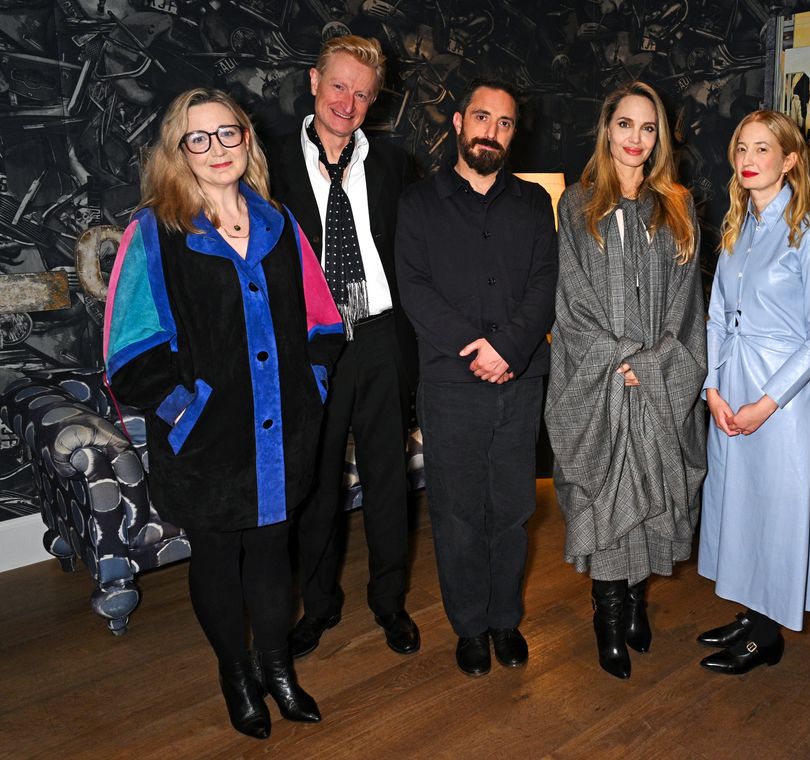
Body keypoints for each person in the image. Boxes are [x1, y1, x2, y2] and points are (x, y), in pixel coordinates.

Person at [104, 88, 344, 737]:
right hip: (207, 444)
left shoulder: (280, 225)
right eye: (198, 137)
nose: (215, 149)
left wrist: (310, 384)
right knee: (217, 559)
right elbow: (129, 352)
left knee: (273, 555)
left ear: (247, 139)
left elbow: (325, 323)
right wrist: (188, 413)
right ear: (178, 150)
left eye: (227, 133)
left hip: (283, 434)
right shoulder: (154, 231)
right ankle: (236, 676)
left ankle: (278, 671)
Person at [265, 35, 421, 660]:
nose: (348, 102)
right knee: (317, 484)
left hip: (381, 338)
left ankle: (390, 603)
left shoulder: (393, 165)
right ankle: (320, 606)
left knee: (389, 480)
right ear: (313, 81)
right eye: (339, 86)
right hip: (311, 347)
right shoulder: (265, 163)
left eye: (362, 93)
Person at [395, 79, 558, 677]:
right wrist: (476, 350)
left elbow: (545, 284)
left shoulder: (535, 203)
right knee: (459, 513)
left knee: (513, 508)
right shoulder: (418, 203)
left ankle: (503, 621)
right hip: (449, 381)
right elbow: (413, 287)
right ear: (460, 122)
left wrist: (508, 348)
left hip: (519, 380)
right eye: (482, 118)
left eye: (505, 123)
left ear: (515, 133)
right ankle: (469, 627)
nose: (491, 131)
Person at [545, 81, 707, 680]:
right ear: (606, 129)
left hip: (660, 379)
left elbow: (690, 301)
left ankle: (637, 601)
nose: (636, 139)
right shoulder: (577, 205)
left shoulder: (679, 206)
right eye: (625, 125)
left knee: (653, 493)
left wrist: (660, 360)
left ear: (658, 137)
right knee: (608, 494)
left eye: (648, 128)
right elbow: (573, 300)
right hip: (602, 383)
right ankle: (607, 618)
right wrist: (617, 358)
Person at [698, 109, 810, 675]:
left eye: (762, 149)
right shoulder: (737, 229)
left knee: (776, 512)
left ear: (789, 160)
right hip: (731, 387)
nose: (749, 161)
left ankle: (767, 635)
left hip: (781, 398)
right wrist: (711, 386)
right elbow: (713, 317)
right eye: (742, 150)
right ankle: (751, 613)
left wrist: (765, 403)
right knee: (739, 504)